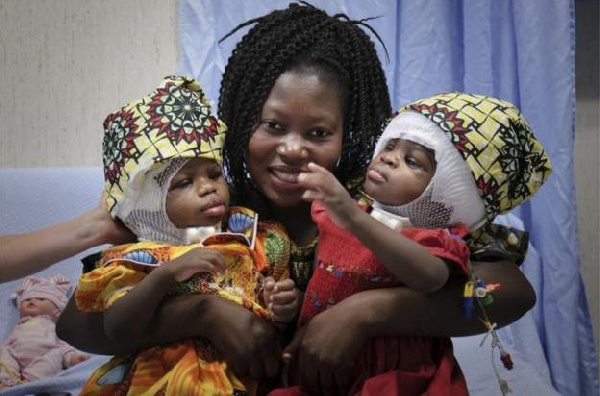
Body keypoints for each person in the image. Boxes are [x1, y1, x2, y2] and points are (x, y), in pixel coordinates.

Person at [55, 3, 536, 394]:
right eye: (272, 125)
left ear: (350, 134)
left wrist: (367, 313)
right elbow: (78, 326)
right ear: (242, 119)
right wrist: (203, 313)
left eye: (319, 132)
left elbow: (508, 294)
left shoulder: (379, 211)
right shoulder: (207, 210)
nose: (291, 148)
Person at [272, 92, 551, 395]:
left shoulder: (432, 237)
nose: (389, 157)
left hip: (394, 375)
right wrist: (291, 305)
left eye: (413, 161)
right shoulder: (331, 212)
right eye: (390, 145)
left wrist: (353, 218)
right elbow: (329, 277)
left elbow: (435, 278)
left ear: (448, 191)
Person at [73, 76, 300, 395]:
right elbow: (116, 329)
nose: (208, 187)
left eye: (213, 174)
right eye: (183, 183)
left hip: (245, 378)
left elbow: (281, 316)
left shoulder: (254, 237)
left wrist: (285, 305)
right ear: (150, 203)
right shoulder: (136, 258)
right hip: (157, 381)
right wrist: (164, 276)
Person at [0, 274, 90, 388]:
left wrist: (72, 358)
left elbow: (63, 346)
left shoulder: (52, 326)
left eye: (41, 299)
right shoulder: (19, 325)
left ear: (56, 311)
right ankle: (6, 381)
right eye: (27, 299)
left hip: (43, 356)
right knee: (4, 354)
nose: (32, 300)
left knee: (52, 359)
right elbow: (9, 342)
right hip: (13, 353)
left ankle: (29, 386)